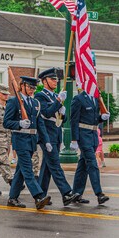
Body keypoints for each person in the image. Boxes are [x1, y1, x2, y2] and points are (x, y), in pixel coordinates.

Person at [3, 76, 52, 210]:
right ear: (22, 86)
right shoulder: (14, 101)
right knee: (28, 170)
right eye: (30, 87)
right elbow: (6, 122)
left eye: (34, 88)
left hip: (31, 141)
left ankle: (12, 198)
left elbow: (40, 124)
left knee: (20, 171)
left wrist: (46, 140)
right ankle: (38, 196)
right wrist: (18, 123)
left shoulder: (35, 103)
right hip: (20, 140)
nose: (32, 90)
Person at [36, 68, 79, 206]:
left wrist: (62, 112)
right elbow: (47, 113)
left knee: (47, 167)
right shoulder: (40, 96)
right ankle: (66, 193)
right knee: (55, 165)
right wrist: (59, 101)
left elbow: (60, 120)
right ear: (44, 81)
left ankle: (40, 195)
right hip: (46, 136)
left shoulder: (55, 97)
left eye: (56, 79)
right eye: (52, 79)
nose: (55, 81)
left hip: (55, 135)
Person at [70, 90, 110, 205]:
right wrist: (74, 139)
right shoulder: (78, 99)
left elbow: (94, 119)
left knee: (82, 166)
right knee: (92, 164)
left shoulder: (95, 99)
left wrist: (102, 117)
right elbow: (74, 120)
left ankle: (76, 194)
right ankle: (99, 194)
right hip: (83, 136)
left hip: (93, 136)